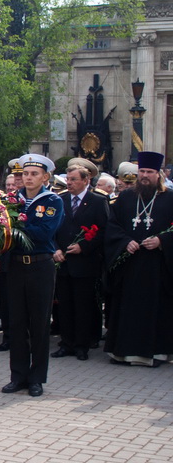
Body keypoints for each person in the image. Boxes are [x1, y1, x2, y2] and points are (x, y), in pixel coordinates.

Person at [0, 154, 64, 397]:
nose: (27, 178)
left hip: (40, 266)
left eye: (34, 174)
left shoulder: (52, 201)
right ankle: (18, 375)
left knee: (39, 323)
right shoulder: (11, 200)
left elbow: (43, 233)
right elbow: (2, 231)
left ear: (45, 177)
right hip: (16, 265)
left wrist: (15, 225)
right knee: (16, 322)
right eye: (24, 174)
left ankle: (37, 378)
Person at [104, 151, 173, 367]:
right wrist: (125, 241)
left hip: (157, 267)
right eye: (141, 171)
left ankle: (156, 353)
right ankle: (124, 352)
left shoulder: (170, 198)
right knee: (128, 308)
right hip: (130, 264)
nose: (144, 175)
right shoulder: (125, 197)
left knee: (155, 309)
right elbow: (112, 226)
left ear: (159, 174)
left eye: (149, 172)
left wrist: (162, 242)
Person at [51, 165, 109, 361]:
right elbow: (52, 229)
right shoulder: (60, 200)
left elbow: (103, 231)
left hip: (85, 263)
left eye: (74, 179)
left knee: (83, 306)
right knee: (65, 306)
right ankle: (66, 343)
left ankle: (81, 346)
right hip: (63, 262)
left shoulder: (98, 201)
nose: (69, 183)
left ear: (86, 181)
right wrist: (56, 249)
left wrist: (84, 246)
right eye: (68, 179)